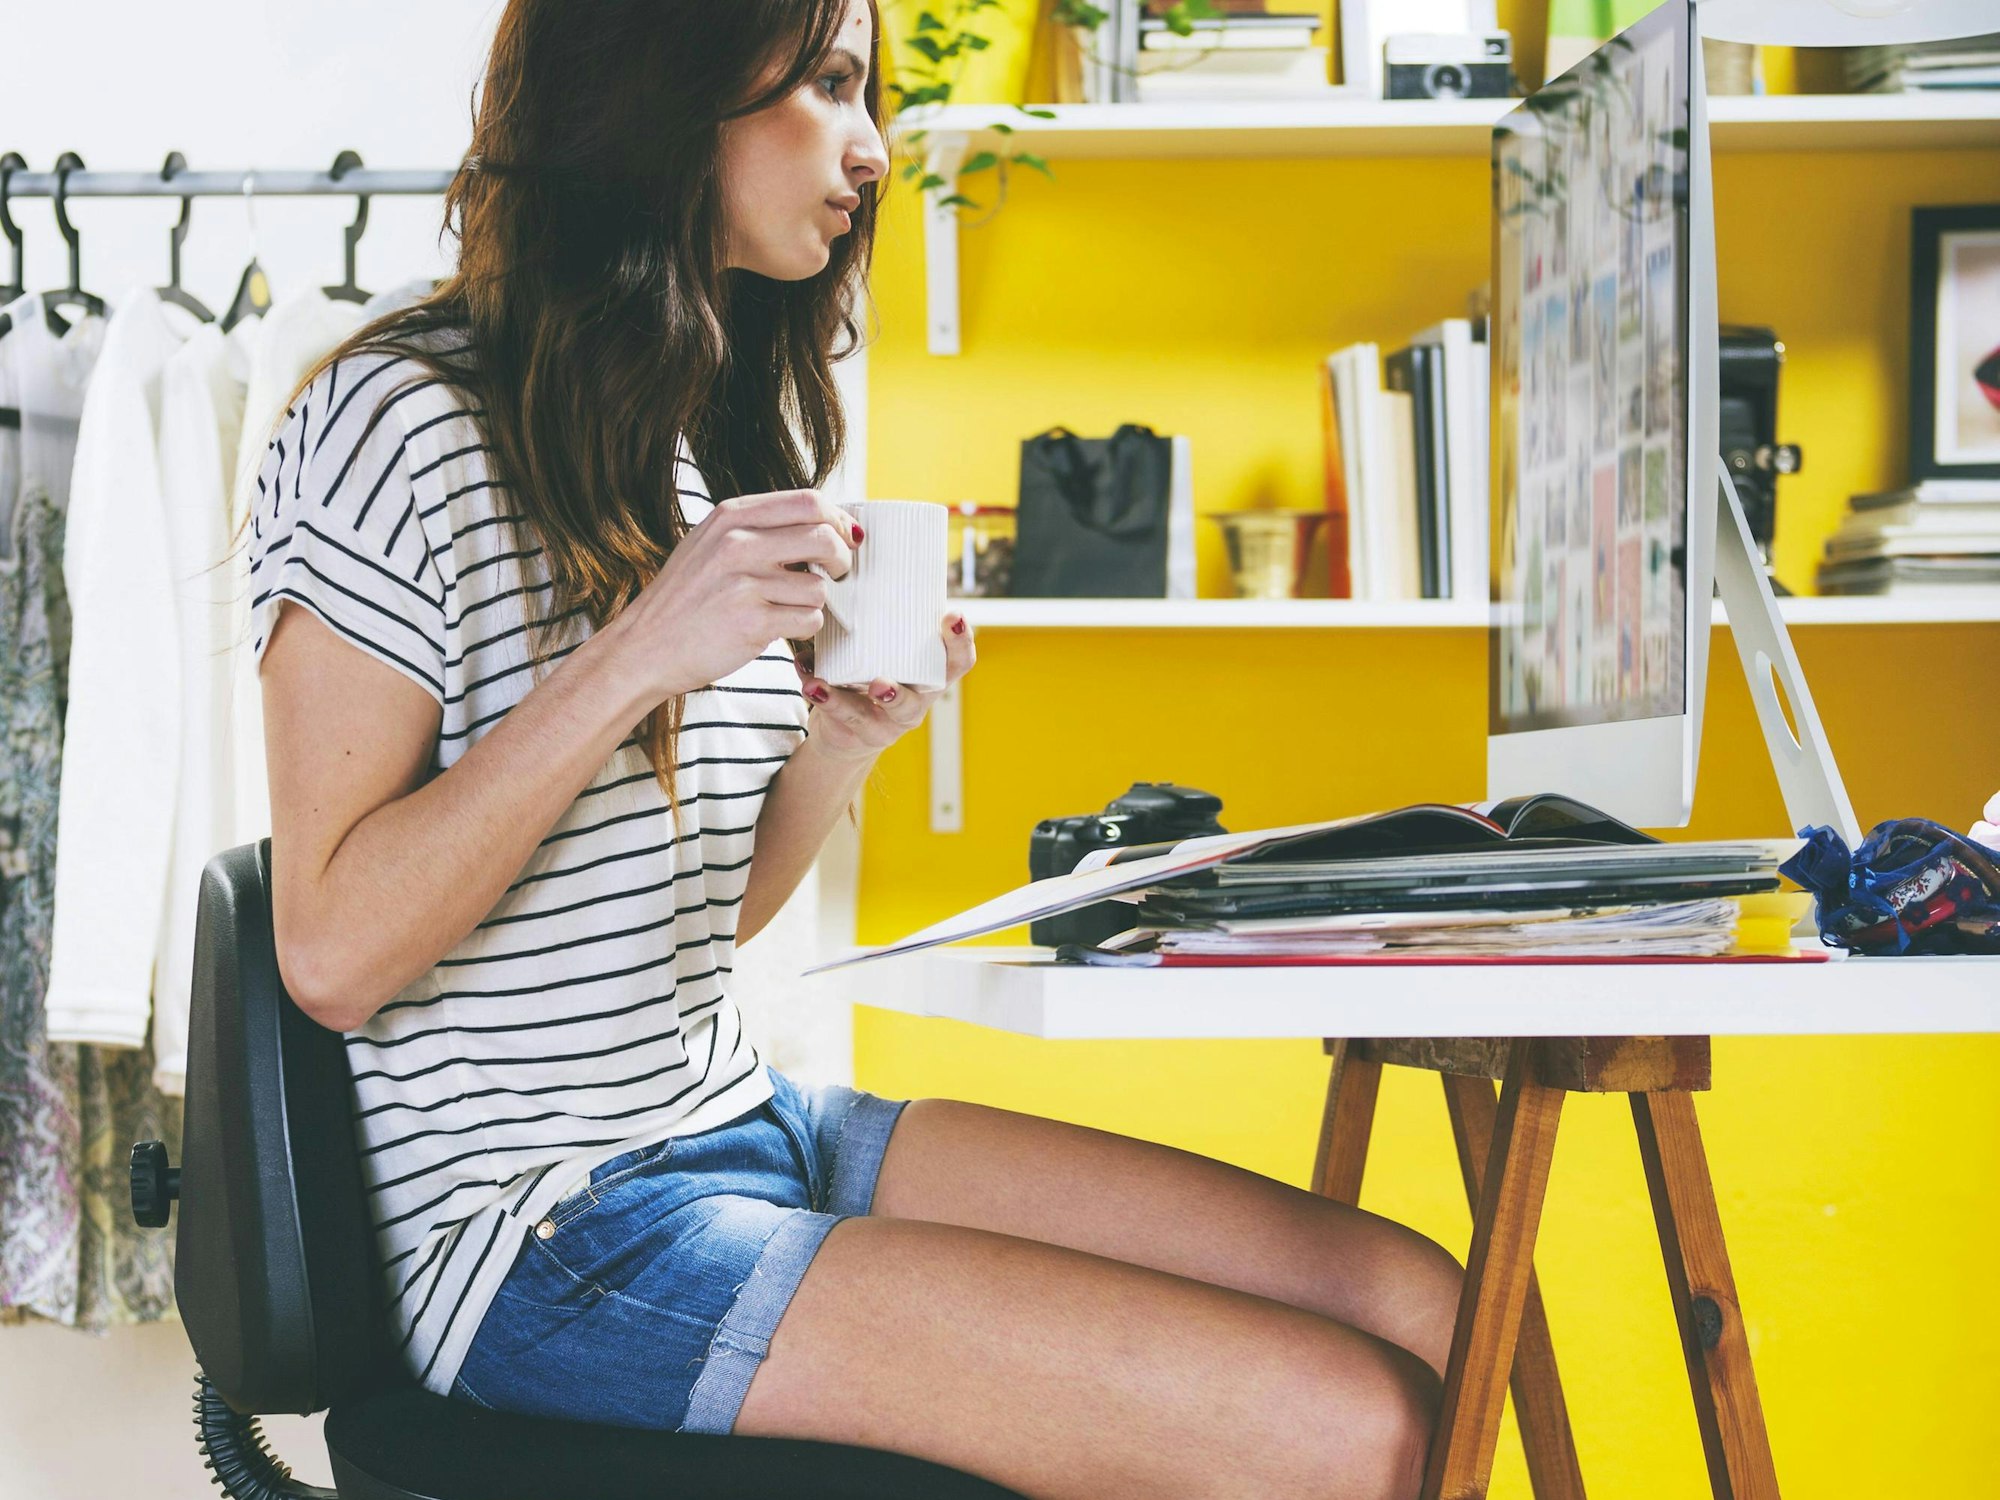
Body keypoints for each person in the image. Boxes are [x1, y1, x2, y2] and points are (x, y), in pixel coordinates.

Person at [246, 3, 1462, 1496]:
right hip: (544, 1235)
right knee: (1352, 1428)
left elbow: (694, 924)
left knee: (1424, 1305)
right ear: (668, 86)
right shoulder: (396, 420)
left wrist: (839, 741)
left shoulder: (680, 438)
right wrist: (638, 655)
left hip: (743, 1119)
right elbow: (332, 951)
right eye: (828, 86)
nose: (875, 151)